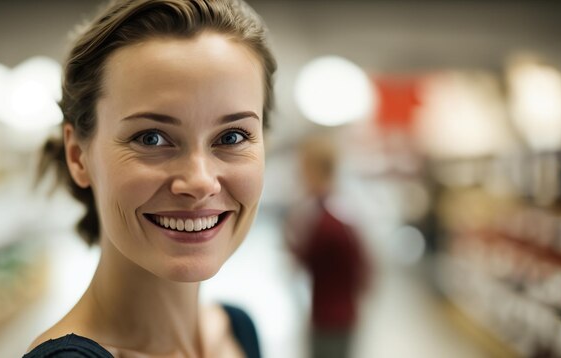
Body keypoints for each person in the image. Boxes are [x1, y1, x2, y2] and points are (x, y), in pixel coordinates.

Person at [25, 0, 276, 357]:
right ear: (78, 156)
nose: (200, 181)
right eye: (151, 138)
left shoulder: (237, 330)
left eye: (232, 137)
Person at [285, 134, 373, 358]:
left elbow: (307, 258)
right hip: (335, 311)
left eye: (303, 168)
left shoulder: (328, 219)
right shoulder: (339, 210)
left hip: (331, 317)